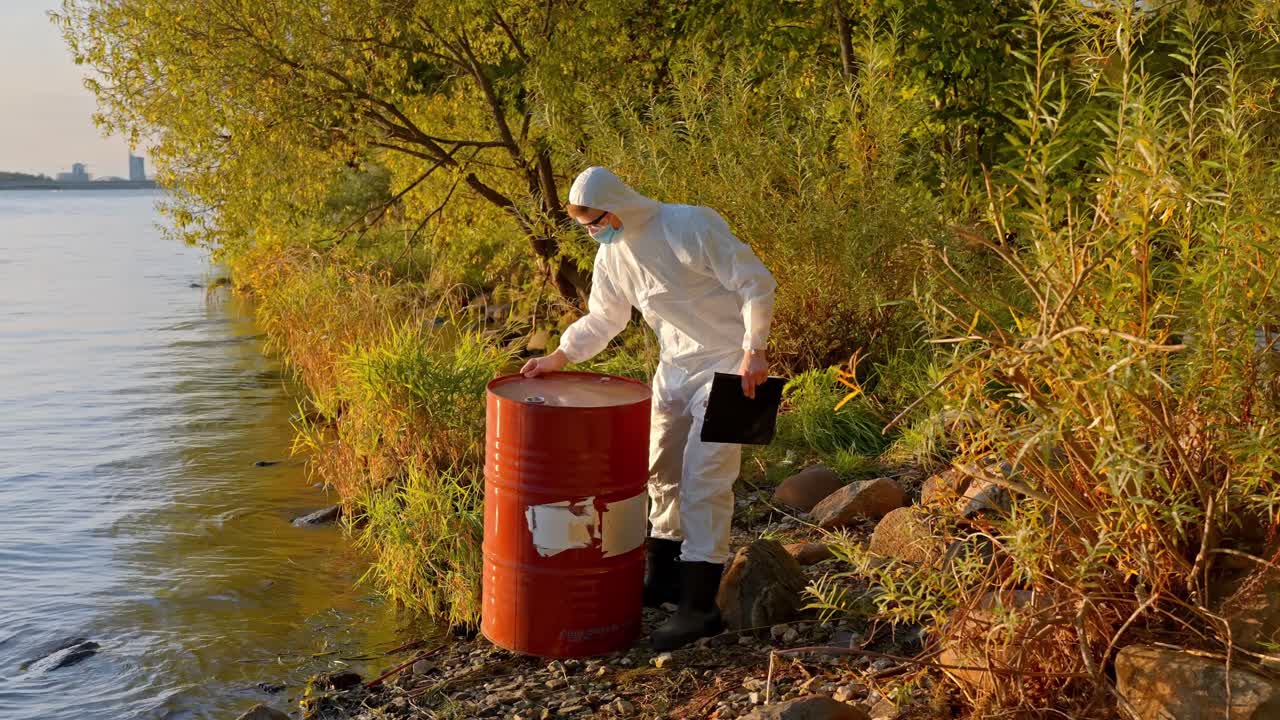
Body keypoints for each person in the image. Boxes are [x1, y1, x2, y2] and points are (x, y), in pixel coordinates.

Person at [520, 167, 776, 650]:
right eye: (585, 227)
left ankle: (698, 608)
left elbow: (755, 283)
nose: (594, 232)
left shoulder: (689, 226)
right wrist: (559, 356)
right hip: (674, 370)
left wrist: (754, 349)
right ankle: (663, 581)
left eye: (595, 222)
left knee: (705, 479)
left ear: (618, 205)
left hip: (729, 370)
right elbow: (604, 318)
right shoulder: (613, 257)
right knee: (660, 471)